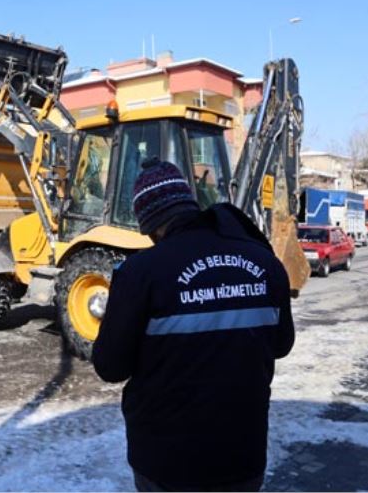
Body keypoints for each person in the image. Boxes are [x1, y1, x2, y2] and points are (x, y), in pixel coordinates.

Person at [92, 160, 295, 492]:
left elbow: (110, 366)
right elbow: (282, 344)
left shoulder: (141, 272)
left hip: (167, 461)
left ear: (149, 222)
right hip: (242, 455)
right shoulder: (264, 261)